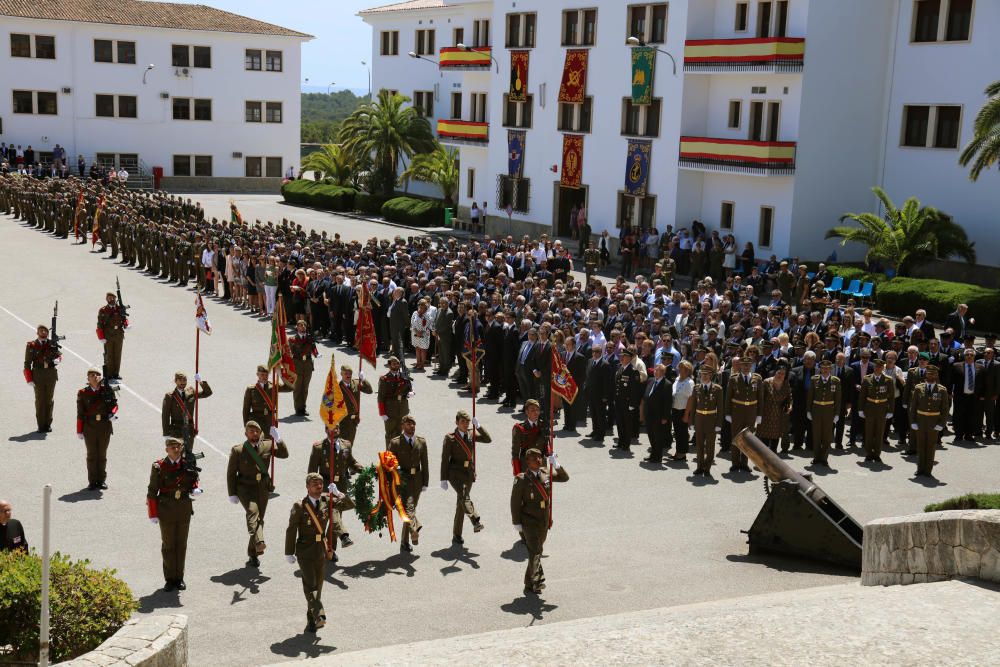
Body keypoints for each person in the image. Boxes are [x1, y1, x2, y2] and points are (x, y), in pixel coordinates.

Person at [227, 421, 289, 567]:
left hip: (262, 487)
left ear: (261, 433)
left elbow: (284, 454)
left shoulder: (268, 445)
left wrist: (278, 439)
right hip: (245, 487)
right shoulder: (238, 450)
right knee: (252, 512)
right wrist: (232, 493)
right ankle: (260, 542)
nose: (254, 433)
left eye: (256, 431)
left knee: (259, 518)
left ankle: (253, 554)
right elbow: (231, 473)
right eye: (251, 431)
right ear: (246, 433)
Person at [147, 437, 202, 591]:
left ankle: (179, 578)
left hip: (183, 509)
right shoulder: (159, 467)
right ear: (167, 450)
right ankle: (170, 579)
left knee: (181, 545)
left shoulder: (187, 465)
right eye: (172, 447)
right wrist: (152, 513)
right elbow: (152, 491)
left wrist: (195, 488)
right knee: (169, 545)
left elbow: (193, 480)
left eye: (178, 447)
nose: (176, 450)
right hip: (166, 509)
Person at [511, 448, 568, 595]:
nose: (538, 460)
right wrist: (516, 522)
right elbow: (515, 502)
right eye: (535, 458)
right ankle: (538, 580)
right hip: (528, 520)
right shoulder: (521, 479)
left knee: (536, 551)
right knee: (535, 550)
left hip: (543, 520)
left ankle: (528, 583)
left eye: (540, 457)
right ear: (528, 461)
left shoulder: (545, 473)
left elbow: (564, 478)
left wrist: (556, 464)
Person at [284, 472, 332, 633]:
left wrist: (339, 494)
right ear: (307, 487)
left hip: (320, 550)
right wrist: (289, 552)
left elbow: (349, 505)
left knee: (318, 586)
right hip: (305, 551)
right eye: (314, 484)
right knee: (310, 584)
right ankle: (319, 615)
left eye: (320, 484)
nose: (319, 487)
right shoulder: (300, 506)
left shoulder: (326, 500)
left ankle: (311, 619)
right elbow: (291, 529)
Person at [306, 423, 361, 559]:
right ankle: (340, 538)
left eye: (336, 428)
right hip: (324, 485)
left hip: (341, 485)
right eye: (330, 428)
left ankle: (331, 549)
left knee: (336, 516)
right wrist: (313, 490)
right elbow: (312, 472)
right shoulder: (319, 447)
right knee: (327, 515)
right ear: (326, 430)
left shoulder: (346, 445)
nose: (333, 431)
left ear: (339, 429)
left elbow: (351, 462)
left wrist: (364, 470)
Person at [440, 410, 491, 544]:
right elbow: (445, 459)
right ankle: (475, 520)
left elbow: (488, 439)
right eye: (463, 421)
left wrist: (478, 426)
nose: (465, 424)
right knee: (464, 496)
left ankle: (456, 535)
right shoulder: (450, 438)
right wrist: (443, 478)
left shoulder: (471, 434)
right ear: (456, 422)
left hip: (468, 473)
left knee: (461, 504)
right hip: (455, 472)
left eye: (467, 422)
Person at [388, 415, 429, 553]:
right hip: (403, 480)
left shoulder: (421, 442)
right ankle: (414, 530)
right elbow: (389, 464)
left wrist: (425, 482)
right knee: (409, 508)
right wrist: (392, 482)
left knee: (410, 510)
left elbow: (425, 463)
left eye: (413, 424)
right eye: (408, 424)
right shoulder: (395, 443)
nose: (411, 426)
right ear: (402, 426)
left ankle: (405, 541)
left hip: (417, 479)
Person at [77, 367, 118, 490]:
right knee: (91, 455)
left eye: (97, 375)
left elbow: (114, 405)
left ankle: (101, 480)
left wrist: (113, 414)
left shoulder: (107, 390)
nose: (95, 377)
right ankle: (92, 481)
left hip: (104, 426)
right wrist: (79, 430)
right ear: (88, 378)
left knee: (102, 454)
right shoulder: (83, 393)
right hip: (89, 427)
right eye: (92, 375)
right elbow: (80, 413)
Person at [161, 371, 212, 461]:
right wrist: (166, 433)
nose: (182, 383)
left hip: (189, 429)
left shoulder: (191, 391)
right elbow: (165, 415)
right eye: (180, 380)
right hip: (176, 430)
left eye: (184, 380)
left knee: (188, 454)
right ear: (175, 381)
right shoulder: (170, 396)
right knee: (177, 454)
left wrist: (200, 381)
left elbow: (208, 393)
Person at [909, 365, 950, 477]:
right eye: (929, 373)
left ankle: (928, 470)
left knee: (931, 446)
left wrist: (941, 424)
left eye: (933, 374)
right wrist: (913, 421)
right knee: (921, 445)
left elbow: (945, 409)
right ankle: (920, 468)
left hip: (933, 422)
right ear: (925, 375)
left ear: (936, 375)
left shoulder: (942, 390)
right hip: (921, 420)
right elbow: (913, 407)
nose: (930, 376)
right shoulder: (918, 388)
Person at [725, 356, 763, 472]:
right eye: (744, 365)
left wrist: (759, 415)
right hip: (737, 412)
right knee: (736, 437)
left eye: (748, 365)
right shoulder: (733, 379)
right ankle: (735, 463)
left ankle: (744, 463)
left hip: (751, 412)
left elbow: (760, 398)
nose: (746, 367)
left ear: (751, 365)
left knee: (748, 438)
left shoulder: (757, 379)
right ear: (740, 365)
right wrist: (728, 413)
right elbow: (728, 397)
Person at [24, 323, 61, 433]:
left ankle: (48, 424)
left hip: (50, 374)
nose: (43, 332)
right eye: (41, 330)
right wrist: (29, 379)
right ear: (37, 332)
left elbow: (59, 355)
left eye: (45, 331)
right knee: (40, 400)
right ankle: (41, 425)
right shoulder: (31, 345)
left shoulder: (52, 344)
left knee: (49, 400)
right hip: (38, 374)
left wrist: (58, 360)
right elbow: (27, 363)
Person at [858, 357, 894, 463]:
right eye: (876, 366)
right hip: (869, 408)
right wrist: (860, 409)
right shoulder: (867, 379)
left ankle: (877, 453)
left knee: (879, 432)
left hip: (882, 409)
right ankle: (869, 453)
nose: (878, 368)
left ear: (883, 368)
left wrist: (890, 411)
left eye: (880, 367)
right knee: (869, 432)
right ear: (874, 367)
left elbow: (891, 397)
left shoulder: (888, 380)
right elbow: (862, 396)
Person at [690, 364, 723, 476]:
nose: (704, 376)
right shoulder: (696, 388)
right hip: (699, 419)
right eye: (702, 374)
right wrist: (691, 422)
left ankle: (707, 468)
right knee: (699, 445)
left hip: (711, 420)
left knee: (710, 446)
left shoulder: (717, 389)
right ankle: (699, 466)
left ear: (711, 375)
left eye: (706, 374)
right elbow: (693, 407)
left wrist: (718, 424)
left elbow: (720, 408)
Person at [807, 360, 842, 466]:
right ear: (820, 369)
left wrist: (836, 413)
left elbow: (838, 399)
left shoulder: (836, 381)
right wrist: (808, 410)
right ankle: (816, 457)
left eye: (827, 368)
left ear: (830, 369)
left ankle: (824, 458)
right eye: (823, 368)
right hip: (816, 410)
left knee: (827, 436)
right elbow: (810, 396)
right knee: (816, 435)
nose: (825, 370)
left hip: (829, 411)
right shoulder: (814, 380)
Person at [242, 364, 291, 433]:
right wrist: (246, 425)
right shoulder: (251, 389)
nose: (264, 377)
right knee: (257, 441)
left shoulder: (274, 387)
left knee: (271, 441)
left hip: (269, 420)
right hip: (256, 419)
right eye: (262, 375)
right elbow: (246, 409)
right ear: (257, 374)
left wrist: (281, 374)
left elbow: (289, 388)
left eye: (266, 375)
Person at [378, 356, 413, 446]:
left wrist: (411, 392)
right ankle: (389, 457)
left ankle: (398, 455)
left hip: (402, 409)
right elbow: (381, 397)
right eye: (394, 363)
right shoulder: (384, 379)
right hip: (390, 411)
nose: (396, 365)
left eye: (397, 363)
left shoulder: (404, 376)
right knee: (390, 435)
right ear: (389, 365)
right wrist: (382, 413)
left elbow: (409, 387)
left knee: (400, 434)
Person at [757, 363, 792, 453]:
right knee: (764, 445)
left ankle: (772, 462)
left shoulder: (786, 384)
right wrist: (758, 414)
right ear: (775, 373)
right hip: (766, 416)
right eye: (779, 373)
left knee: (774, 443)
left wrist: (790, 406)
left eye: (783, 374)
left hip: (778, 417)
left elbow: (789, 398)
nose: (780, 375)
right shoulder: (766, 382)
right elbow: (760, 399)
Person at [642, 363, 673, 463]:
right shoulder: (651, 380)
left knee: (658, 437)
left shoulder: (667, 384)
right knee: (650, 435)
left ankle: (657, 456)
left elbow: (668, 403)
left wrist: (665, 417)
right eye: (655, 370)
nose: (655, 371)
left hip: (658, 415)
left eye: (658, 370)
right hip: (648, 413)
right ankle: (653, 454)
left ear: (663, 373)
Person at [289, 319, 319, 417]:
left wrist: (317, 354)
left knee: (305, 388)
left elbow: (314, 348)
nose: (302, 327)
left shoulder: (309, 338)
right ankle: (298, 408)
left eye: (304, 325)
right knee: (298, 388)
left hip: (308, 365)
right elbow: (290, 352)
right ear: (297, 327)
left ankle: (303, 408)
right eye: (300, 325)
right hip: (297, 365)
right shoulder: (292, 339)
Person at [96, 291, 128, 381]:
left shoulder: (119, 309)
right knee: (109, 354)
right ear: (106, 299)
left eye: (113, 298)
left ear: (115, 299)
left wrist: (126, 325)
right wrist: (101, 336)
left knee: (117, 354)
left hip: (118, 334)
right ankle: (109, 374)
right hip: (108, 335)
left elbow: (124, 319)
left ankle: (116, 373)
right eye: (109, 298)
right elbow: (99, 324)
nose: (111, 299)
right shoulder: (103, 310)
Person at [335, 365, 372, 443]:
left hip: (353, 419)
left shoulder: (356, 383)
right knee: (342, 444)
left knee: (350, 442)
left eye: (350, 373)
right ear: (341, 374)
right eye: (346, 373)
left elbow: (369, 391)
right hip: (343, 420)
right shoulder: (337, 387)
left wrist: (363, 379)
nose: (348, 375)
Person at [511, 399, 544, 475]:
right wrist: (517, 471)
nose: (536, 412)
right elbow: (515, 452)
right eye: (532, 410)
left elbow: (546, 443)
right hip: (527, 464)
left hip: (541, 463)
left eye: (537, 410)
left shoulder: (543, 426)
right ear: (526, 412)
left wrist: (550, 453)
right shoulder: (519, 428)